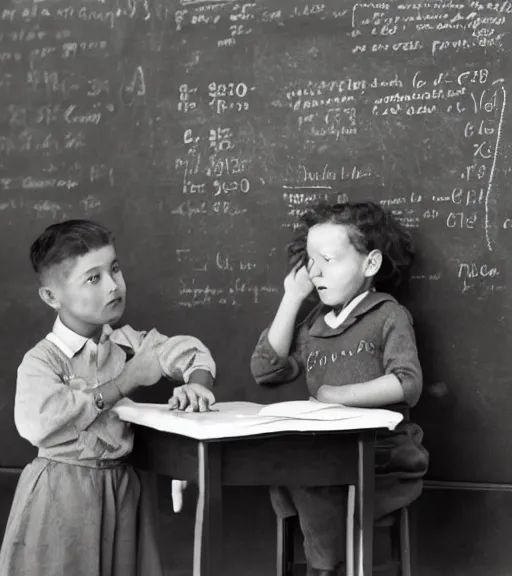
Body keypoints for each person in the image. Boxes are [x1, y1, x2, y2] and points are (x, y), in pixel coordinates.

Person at [0, 219, 216, 576]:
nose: (114, 286)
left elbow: (189, 352)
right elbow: (39, 423)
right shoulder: (42, 360)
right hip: (61, 498)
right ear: (51, 297)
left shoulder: (126, 343)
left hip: (122, 493)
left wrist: (198, 384)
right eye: (93, 278)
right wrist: (126, 381)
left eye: (114, 268)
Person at [250, 201, 429, 576]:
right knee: (289, 475)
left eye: (328, 260)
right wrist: (293, 296)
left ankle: (325, 568)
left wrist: (337, 396)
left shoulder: (387, 315)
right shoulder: (316, 324)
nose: (315, 272)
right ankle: (327, 562)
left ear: (371, 264)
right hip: (330, 454)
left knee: (315, 484)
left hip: (382, 456)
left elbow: (407, 382)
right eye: (310, 261)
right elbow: (267, 369)